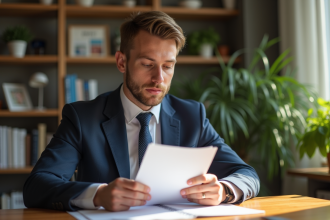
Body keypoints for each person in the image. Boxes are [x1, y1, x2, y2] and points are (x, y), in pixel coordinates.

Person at [23, 11, 259, 212]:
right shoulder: (82, 118)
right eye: (147, 64)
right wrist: (98, 195)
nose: (159, 78)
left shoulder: (192, 116)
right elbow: (37, 186)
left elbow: (246, 174)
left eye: (168, 66)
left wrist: (224, 190)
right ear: (121, 62)